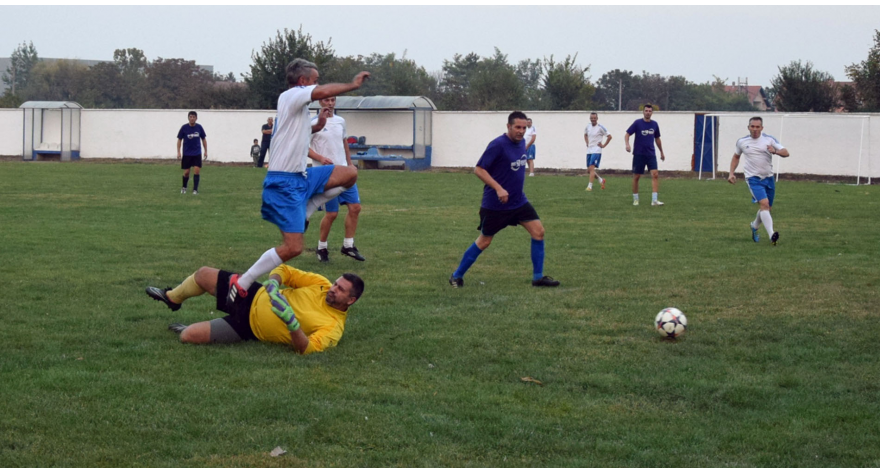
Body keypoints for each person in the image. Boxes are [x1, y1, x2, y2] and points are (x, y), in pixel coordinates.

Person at [227, 59, 370, 307]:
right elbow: (323, 92)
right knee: (293, 248)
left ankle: (309, 208)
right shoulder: (292, 95)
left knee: (350, 174)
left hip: (301, 177)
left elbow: (297, 134)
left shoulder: (297, 108)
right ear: (303, 82)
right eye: (315, 80)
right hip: (283, 182)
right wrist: (352, 85)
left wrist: (319, 125)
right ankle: (243, 282)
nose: (317, 85)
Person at [145, 264, 364, 355]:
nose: (332, 289)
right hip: (250, 293)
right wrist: (275, 283)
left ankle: (189, 326)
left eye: (340, 289)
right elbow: (284, 270)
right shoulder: (320, 284)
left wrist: (292, 322)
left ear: (351, 300)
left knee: (187, 336)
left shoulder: (333, 326)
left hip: (248, 328)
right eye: (335, 284)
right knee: (203, 274)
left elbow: (307, 349)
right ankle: (172, 298)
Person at [449, 111, 560, 288]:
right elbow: (479, 169)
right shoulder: (497, 145)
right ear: (508, 126)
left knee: (538, 232)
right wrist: (499, 188)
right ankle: (456, 276)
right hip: (496, 205)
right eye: (517, 127)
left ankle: (538, 278)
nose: (521, 131)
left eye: (524, 128)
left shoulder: (522, 142)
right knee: (484, 241)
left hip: (518, 202)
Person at [308, 96, 365, 263]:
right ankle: (321, 247)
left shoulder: (341, 121)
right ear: (320, 102)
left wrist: (350, 164)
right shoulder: (312, 123)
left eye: (333, 100)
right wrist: (320, 157)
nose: (330, 103)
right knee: (332, 213)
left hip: (345, 173)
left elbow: (344, 142)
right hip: (326, 175)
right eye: (326, 100)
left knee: (355, 208)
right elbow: (304, 147)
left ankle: (348, 245)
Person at [728, 116, 789, 246]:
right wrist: (731, 173)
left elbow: (786, 152)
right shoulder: (742, 142)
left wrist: (775, 151)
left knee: (767, 208)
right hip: (753, 179)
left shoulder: (769, 139)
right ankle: (772, 235)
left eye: (757, 127)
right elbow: (736, 157)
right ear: (748, 127)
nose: (755, 129)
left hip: (768, 177)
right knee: (764, 204)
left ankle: (754, 226)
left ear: (762, 128)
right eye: (752, 126)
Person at [624, 104, 665, 206]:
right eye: (646, 111)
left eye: (650, 111)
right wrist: (627, 144)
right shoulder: (637, 123)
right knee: (637, 176)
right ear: (643, 112)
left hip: (651, 154)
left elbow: (657, 139)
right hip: (639, 154)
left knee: (655, 174)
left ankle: (654, 200)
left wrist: (661, 152)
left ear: (652, 113)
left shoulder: (655, 124)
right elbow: (627, 134)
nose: (648, 112)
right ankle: (636, 199)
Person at [176, 111, 207, 195]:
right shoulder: (184, 128)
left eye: (194, 117)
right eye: (190, 117)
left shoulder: (199, 127)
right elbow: (179, 140)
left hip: (197, 153)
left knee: (196, 171)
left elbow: (203, 139)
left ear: (196, 118)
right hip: (187, 154)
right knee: (186, 172)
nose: (192, 118)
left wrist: (205, 151)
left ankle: (195, 189)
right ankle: (184, 187)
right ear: (188, 118)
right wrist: (178, 152)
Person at [584, 112, 612, 191]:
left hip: (596, 150)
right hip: (589, 150)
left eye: (594, 118)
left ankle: (590, 186)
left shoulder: (600, 127)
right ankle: (601, 180)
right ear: (590, 118)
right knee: (588, 170)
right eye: (591, 118)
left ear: (597, 118)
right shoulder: (588, 126)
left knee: (592, 168)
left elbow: (609, 136)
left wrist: (603, 145)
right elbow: (585, 135)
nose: (593, 119)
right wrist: (587, 142)